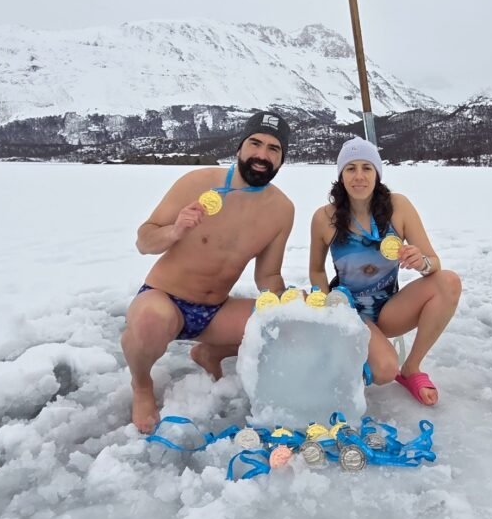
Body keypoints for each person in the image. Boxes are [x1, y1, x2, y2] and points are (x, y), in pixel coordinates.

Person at [122, 111, 295, 432]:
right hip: (163, 299)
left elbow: (267, 276)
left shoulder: (282, 210)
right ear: (240, 147)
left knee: (283, 326)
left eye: (274, 148)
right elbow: (144, 240)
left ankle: (209, 353)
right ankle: (141, 384)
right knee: (150, 322)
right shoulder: (198, 183)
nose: (262, 154)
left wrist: (288, 303)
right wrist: (174, 231)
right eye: (255, 143)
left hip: (215, 312)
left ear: (281, 159)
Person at [308, 137, 462, 406]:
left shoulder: (398, 207)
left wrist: (421, 262)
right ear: (341, 175)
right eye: (350, 168)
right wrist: (326, 310)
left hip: (390, 308)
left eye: (366, 168)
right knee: (384, 370)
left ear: (377, 173)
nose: (359, 176)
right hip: (349, 311)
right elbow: (316, 270)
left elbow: (433, 262)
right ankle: (347, 360)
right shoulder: (325, 218)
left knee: (448, 282)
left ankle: (411, 368)